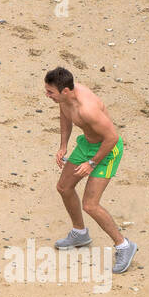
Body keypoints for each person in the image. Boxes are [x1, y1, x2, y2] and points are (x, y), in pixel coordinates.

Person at [43, 66, 138, 273]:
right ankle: (80, 233)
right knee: (64, 187)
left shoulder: (88, 109)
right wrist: (63, 146)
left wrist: (92, 163)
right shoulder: (65, 99)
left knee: (90, 205)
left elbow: (112, 138)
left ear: (65, 90)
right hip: (86, 145)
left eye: (50, 92)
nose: (47, 95)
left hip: (107, 151)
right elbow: (65, 117)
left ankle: (124, 245)